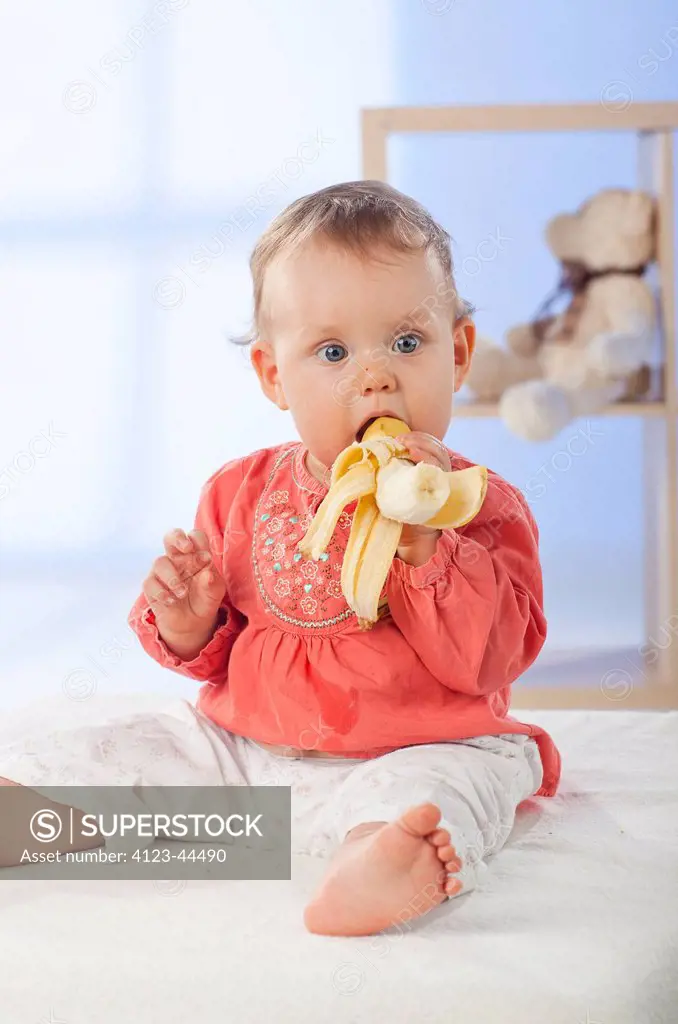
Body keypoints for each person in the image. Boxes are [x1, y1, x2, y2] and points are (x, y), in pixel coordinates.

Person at [0, 181, 560, 937]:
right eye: (332, 351)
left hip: (416, 745)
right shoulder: (240, 491)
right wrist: (189, 622)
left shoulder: (480, 506)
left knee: (447, 787)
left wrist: (426, 540)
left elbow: (489, 664)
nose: (375, 375)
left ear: (457, 354)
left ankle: (380, 860)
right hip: (248, 753)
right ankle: (34, 808)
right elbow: (213, 658)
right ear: (273, 375)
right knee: (134, 747)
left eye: (406, 342)